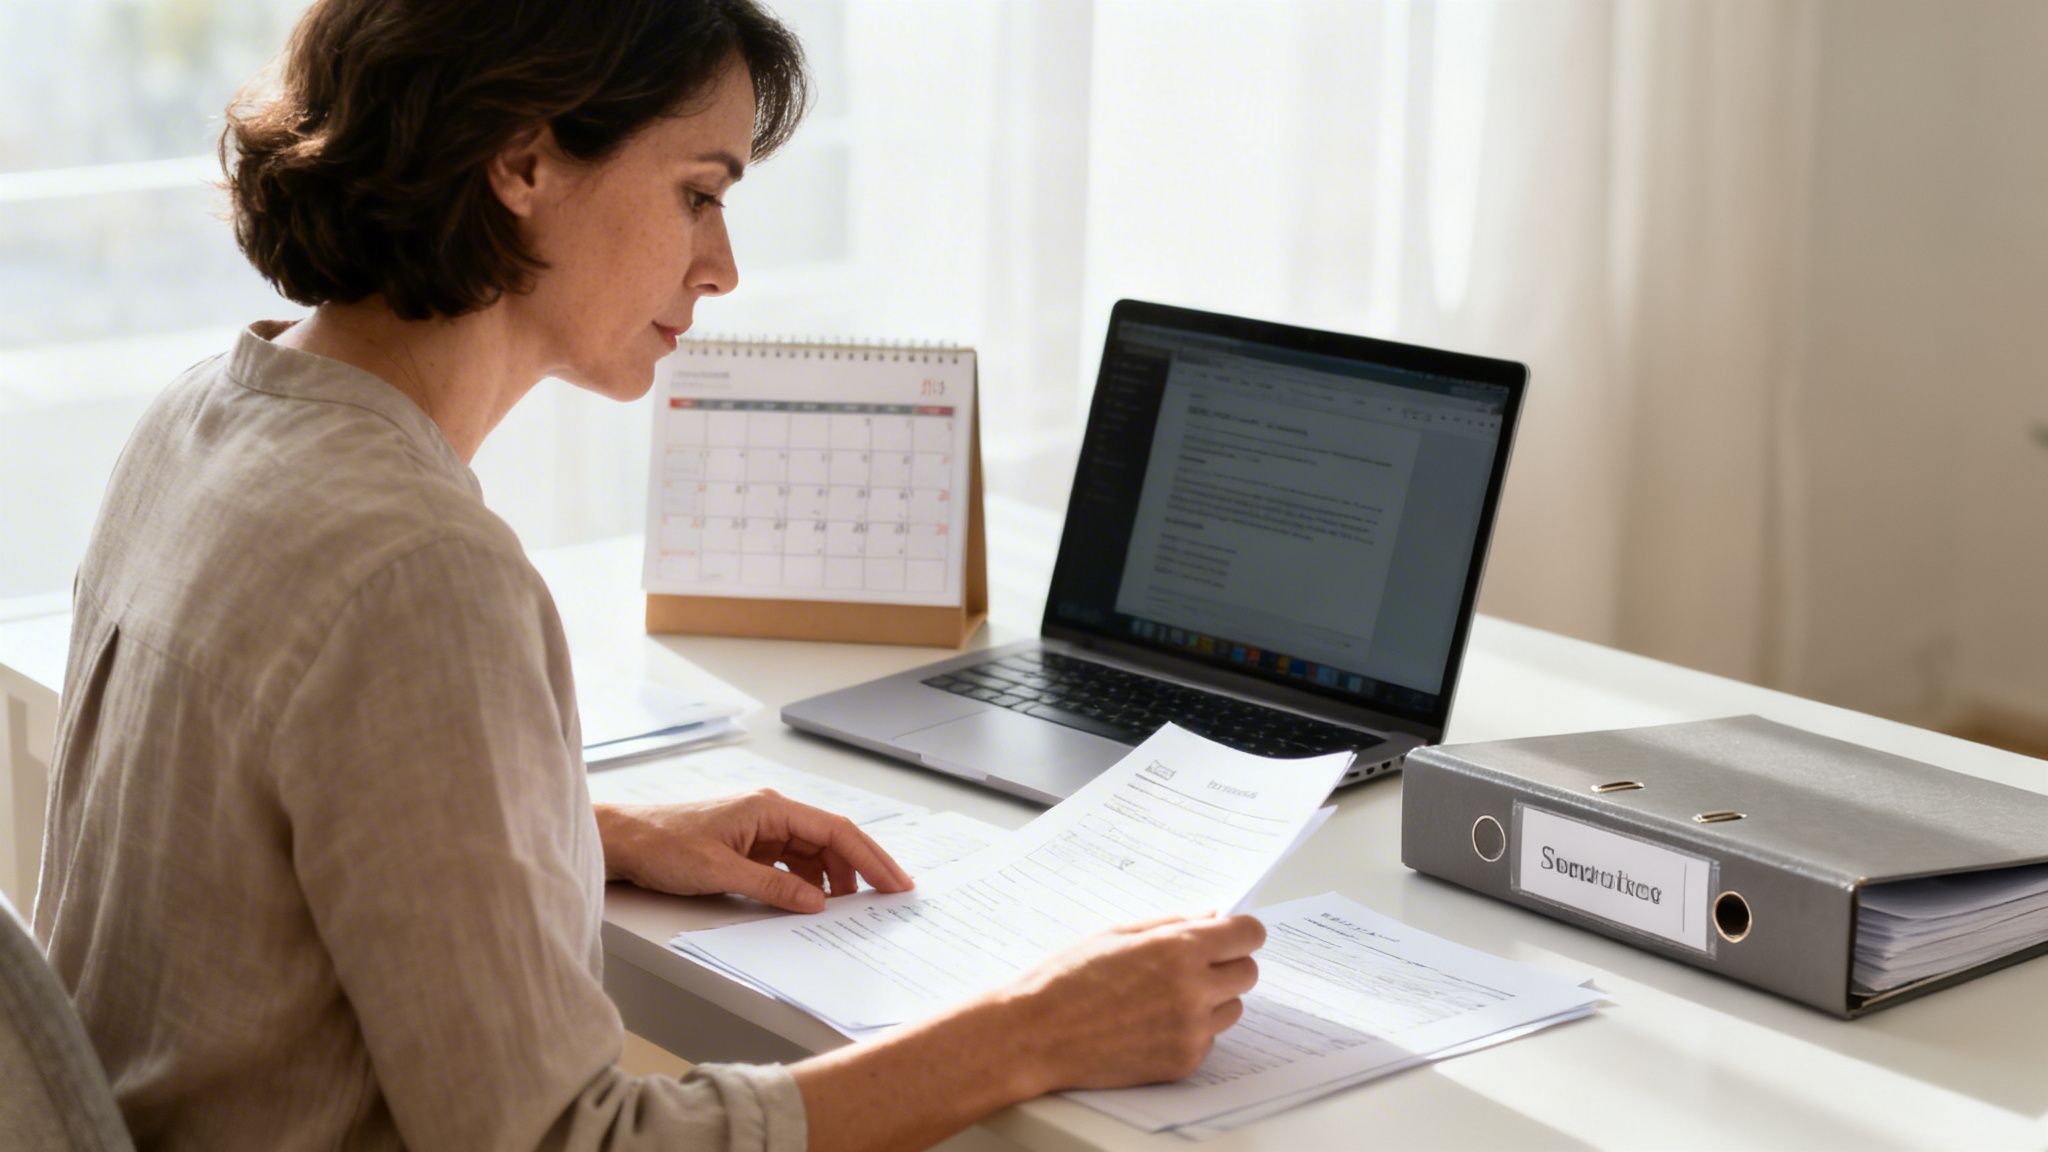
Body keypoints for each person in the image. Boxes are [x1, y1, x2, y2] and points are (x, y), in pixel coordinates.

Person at [31, 2, 1265, 1150]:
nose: (720, 266)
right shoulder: (418, 571)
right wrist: (1034, 1031)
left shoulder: (210, 416)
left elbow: (267, 810)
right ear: (520, 165)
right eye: (696, 194)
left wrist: (575, 830)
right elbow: (572, 1139)